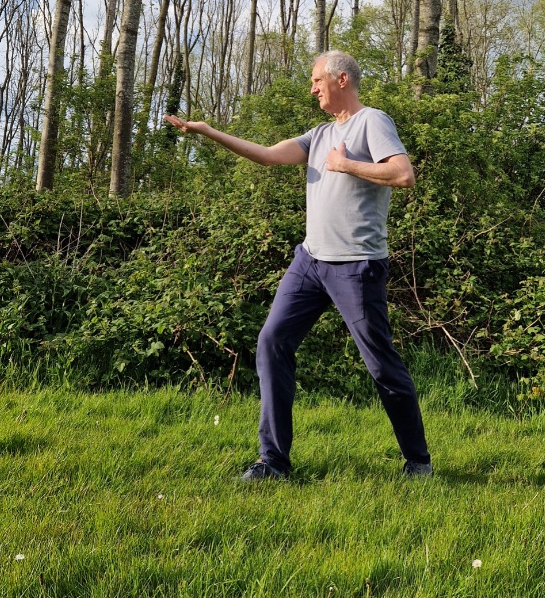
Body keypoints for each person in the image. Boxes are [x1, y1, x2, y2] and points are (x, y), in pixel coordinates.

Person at [164, 50, 432, 480]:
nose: (312, 89)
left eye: (316, 80)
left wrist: (346, 165)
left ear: (341, 79)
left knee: (381, 364)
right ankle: (273, 461)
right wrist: (208, 131)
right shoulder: (320, 134)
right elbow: (268, 155)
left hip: (355, 266)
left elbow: (403, 174)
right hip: (309, 262)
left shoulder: (372, 121)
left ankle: (418, 462)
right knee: (272, 341)